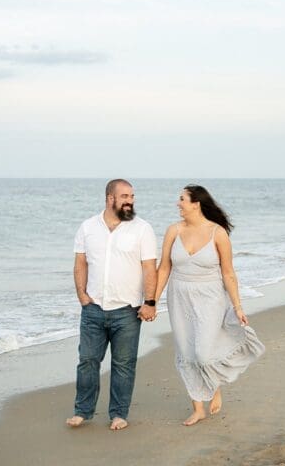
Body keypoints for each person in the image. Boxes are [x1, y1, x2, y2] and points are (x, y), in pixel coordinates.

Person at [151, 185, 264, 426]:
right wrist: (152, 301)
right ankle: (197, 408)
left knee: (202, 352)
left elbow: (228, 273)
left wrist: (237, 306)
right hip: (179, 296)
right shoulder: (173, 230)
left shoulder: (218, 233)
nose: (178, 203)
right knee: (186, 351)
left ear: (196, 204)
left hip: (211, 297)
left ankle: (213, 385)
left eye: (182, 199)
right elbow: (164, 268)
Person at [67, 179, 157, 431]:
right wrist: (82, 295)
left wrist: (149, 302)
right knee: (87, 361)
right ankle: (82, 411)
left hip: (127, 311)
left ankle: (118, 414)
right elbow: (81, 263)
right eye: (125, 196)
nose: (130, 201)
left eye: (132, 196)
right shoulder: (87, 227)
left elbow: (150, 268)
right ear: (110, 198)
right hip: (93, 309)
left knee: (123, 364)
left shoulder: (142, 229)